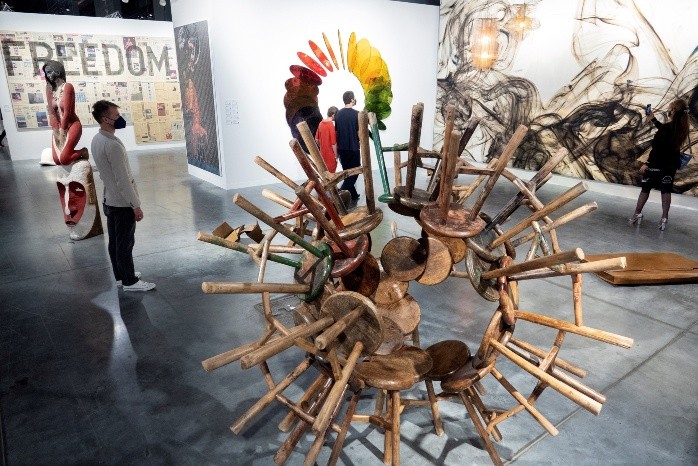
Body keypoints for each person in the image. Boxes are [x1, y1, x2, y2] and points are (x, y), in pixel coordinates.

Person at [91, 100, 156, 291]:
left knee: (115, 243)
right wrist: (135, 205)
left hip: (109, 199)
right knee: (125, 244)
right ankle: (130, 282)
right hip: (121, 203)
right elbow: (123, 180)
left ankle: (121, 276)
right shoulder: (112, 145)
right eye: (116, 115)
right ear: (105, 119)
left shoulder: (97, 139)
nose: (120, 118)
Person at [630, 98, 690, 231]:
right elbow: (665, 130)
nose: (668, 110)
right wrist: (653, 120)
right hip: (670, 166)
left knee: (645, 188)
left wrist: (647, 163)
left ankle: (637, 214)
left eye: (670, 108)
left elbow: (657, 149)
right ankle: (664, 218)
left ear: (673, 111)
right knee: (666, 190)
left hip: (657, 164)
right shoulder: (680, 128)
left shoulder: (669, 128)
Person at [43, 60, 87, 165]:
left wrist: (62, 132)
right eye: (46, 73)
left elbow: (67, 113)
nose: (48, 75)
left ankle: (82, 152)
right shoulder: (49, 88)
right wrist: (55, 130)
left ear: (58, 71)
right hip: (58, 127)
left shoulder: (68, 87)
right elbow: (52, 112)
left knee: (64, 159)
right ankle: (70, 153)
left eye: (50, 72)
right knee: (57, 160)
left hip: (72, 125)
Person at [334, 91, 361, 201]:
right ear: (351, 100)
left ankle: (353, 195)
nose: (355, 100)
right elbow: (359, 132)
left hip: (342, 148)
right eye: (354, 98)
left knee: (348, 172)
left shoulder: (338, 114)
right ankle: (340, 193)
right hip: (353, 147)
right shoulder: (357, 114)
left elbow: (336, 132)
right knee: (356, 171)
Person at [315, 106, 339, 172]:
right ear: (333, 115)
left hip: (322, 154)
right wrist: (336, 156)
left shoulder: (321, 123)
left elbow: (316, 139)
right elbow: (333, 144)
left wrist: (322, 146)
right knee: (331, 175)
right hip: (330, 156)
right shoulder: (331, 125)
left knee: (324, 174)